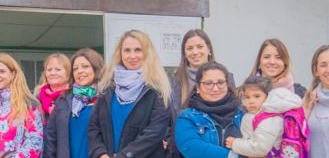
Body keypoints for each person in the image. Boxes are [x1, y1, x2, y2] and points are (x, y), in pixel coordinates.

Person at [88, 29, 172, 158]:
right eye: (127, 50)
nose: (132, 56)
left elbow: (154, 134)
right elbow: (94, 127)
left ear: (147, 53)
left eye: (138, 50)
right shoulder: (107, 88)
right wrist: (100, 153)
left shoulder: (158, 90)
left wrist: (124, 156)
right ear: (120, 53)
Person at [167, 29, 235, 157]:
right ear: (184, 53)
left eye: (199, 47)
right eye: (190, 48)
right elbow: (166, 117)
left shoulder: (227, 77)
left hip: (220, 144)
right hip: (183, 148)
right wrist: (171, 141)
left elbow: (233, 108)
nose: (195, 52)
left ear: (209, 49)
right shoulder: (174, 82)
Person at [43, 48, 105, 158]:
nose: (79, 71)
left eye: (85, 66)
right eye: (75, 68)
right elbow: (51, 137)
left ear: (96, 68)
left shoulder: (107, 97)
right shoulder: (64, 99)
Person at [173, 62, 243, 158]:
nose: (215, 88)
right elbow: (190, 146)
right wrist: (231, 156)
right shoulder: (187, 117)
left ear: (227, 84)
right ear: (198, 87)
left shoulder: (242, 114)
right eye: (208, 83)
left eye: (220, 82)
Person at [227, 75, 305, 158]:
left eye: (257, 96)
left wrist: (235, 144)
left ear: (268, 97)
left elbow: (261, 148)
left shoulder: (271, 119)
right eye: (247, 97)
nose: (251, 101)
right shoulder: (253, 116)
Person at [36, 53, 71, 121]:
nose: (53, 73)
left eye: (58, 69)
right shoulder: (37, 97)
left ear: (68, 73)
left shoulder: (75, 95)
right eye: (49, 70)